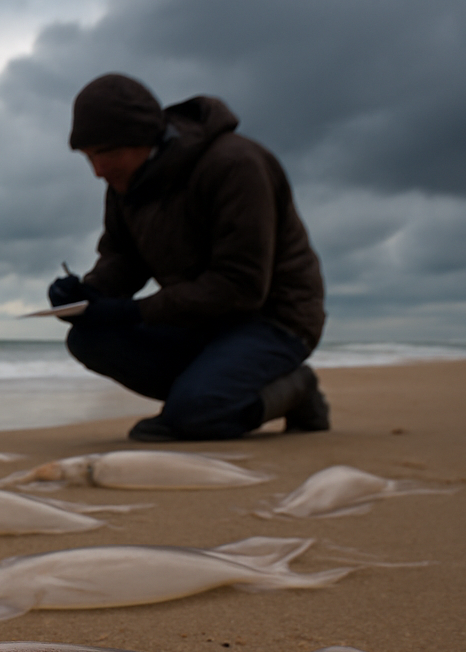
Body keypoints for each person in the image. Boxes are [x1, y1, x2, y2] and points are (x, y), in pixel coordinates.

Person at [49, 73, 329, 442]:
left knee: (194, 418)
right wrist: (87, 293)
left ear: (147, 138)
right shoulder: (124, 182)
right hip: (201, 320)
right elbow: (122, 257)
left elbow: (241, 286)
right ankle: (210, 390)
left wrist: (133, 311)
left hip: (276, 319)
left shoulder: (234, 164)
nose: (99, 171)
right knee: (89, 338)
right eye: (89, 158)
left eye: (108, 153)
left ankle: (294, 388)